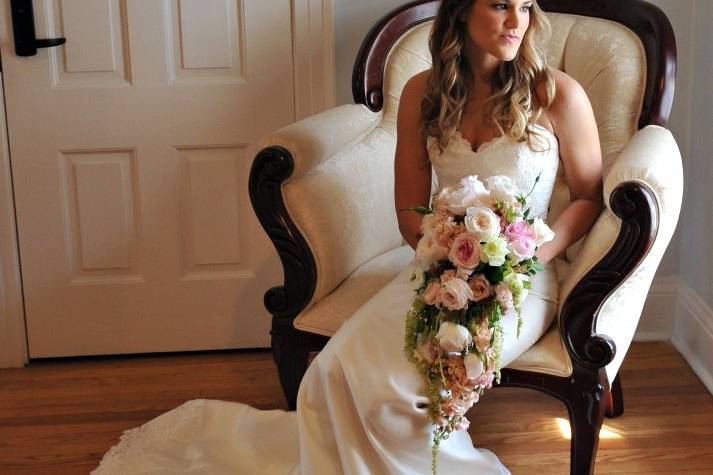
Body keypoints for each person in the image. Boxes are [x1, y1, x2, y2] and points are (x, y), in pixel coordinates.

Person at [93, 0, 602, 474]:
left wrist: (529, 253)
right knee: (334, 371)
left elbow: (588, 196)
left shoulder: (556, 94)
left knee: (408, 390)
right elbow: (410, 209)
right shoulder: (424, 94)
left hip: (523, 281)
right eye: (499, 4)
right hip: (436, 270)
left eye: (525, 5)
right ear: (462, 11)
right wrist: (445, 257)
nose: (517, 19)